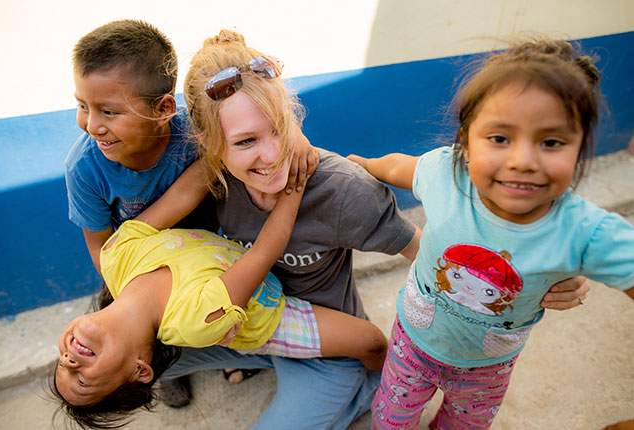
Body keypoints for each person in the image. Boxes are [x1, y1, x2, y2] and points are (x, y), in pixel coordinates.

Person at [152, 30, 590, 429]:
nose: (273, 154)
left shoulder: (343, 192)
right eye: (247, 141)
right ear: (209, 143)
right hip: (247, 324)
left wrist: (528, 274)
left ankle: (362, 389)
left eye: (281, 128)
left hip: (325, 349)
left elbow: (426, 251)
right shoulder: (205, 186)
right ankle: (257, 362)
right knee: (126, 360)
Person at [347, 38, 634, 429]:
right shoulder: (445, 174)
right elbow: (401, 168)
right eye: (500, 138)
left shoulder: (584, 231)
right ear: (464, 143)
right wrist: (363, 164)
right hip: (411, 345)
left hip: (487, 369)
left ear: (580, 147)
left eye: (551, 142)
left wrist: (579, 275)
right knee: (390, 419)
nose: (523, 161)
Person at [64, 20, 317, 408]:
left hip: (211, 251)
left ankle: (236, 358)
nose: (92, 125)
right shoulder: (85, 170)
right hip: (144, 264)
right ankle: (169, 369)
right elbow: (101, 249)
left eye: (109, 111)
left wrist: (295, 136)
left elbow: (264, 120)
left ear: (165, 108)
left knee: (225, 320)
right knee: (159, 338)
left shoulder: (196, 131)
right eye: (83, 106)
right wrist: (135, 304)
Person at [52, 182, 390, 429]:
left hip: (227, 317)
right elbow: (264, 251)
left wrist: (214, 149)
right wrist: (293, 186)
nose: (69, 362)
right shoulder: (196, 319)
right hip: (269, 322)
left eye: (62, 366)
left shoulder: (115, 256)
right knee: (369, 341)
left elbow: (183, 194)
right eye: (82, 381)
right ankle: (373, 388)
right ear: (141, 370)